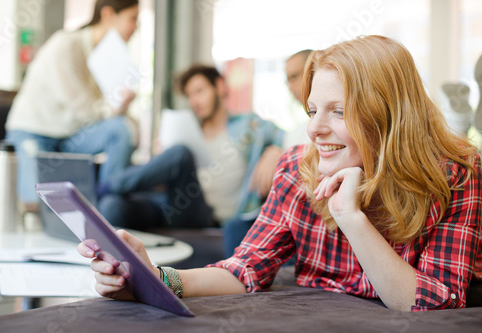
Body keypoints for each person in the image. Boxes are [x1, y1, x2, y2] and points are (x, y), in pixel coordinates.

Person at [78, 35, 482, 311]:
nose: (315, 129)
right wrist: (158, 281)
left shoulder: (454, 175)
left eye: (337, 111)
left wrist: (351, 218)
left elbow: (432, 301)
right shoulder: (297, 167)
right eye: (312, 111)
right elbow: (246, 268)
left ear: (388, 116)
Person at [96, 64, 285, 229]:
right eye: (189, 95)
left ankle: (108, 184)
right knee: (111, 206)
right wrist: (161, 160)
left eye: (199, 91)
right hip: (170, 204)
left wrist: (274, 151)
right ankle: (108, 190)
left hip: (204, 215)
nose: (193, 101)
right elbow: (161, 186)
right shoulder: (187, 130)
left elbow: (285, 136)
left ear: (219, 87)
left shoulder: (246, 125)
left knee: (181, 153)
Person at [5, 0, 139, 205]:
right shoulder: (65, 45)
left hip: (70, 137)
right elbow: (84, 110)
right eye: (133, 19)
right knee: (36, 205)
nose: (136, 27)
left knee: (123, 129)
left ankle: (108, 205)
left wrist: (120, 110)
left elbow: (98, 114)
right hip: (35, 131)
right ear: (108, 15)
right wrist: (115, 108)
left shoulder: (108, 58)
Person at [223, 49, 313, 257]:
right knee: (235, 226)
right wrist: (275, 151)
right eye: (287, 80)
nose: (290, 87)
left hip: (302, 216)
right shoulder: (297, 130)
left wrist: (277, 154)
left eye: (294, 76)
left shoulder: (331, 127)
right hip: (280, 211)